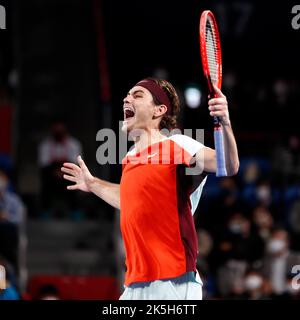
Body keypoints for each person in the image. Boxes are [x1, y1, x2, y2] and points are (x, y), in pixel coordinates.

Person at [61, 78, 239, 300]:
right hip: (135, 284)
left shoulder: (179, 144)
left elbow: (227, 165)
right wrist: (93, 184)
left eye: (137, 95)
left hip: (173, 280)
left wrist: (225, 122)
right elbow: (130, 200)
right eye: (127, 95)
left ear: (159, 110)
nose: (127, 98)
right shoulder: (128, 158)